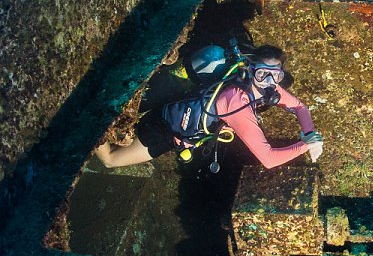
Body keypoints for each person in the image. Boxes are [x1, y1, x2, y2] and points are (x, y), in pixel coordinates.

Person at [95, 44, 323, 170]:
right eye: (263, 74)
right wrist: (306, 144)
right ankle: (89, 123)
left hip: (176, 111)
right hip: (166, 131)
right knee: (111, 160)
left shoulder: (260, 84)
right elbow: (269, 159)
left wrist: (310, 132)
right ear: (252, 70)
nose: (270, 82)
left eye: (276, 75)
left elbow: (300, 107)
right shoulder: (237, 104)